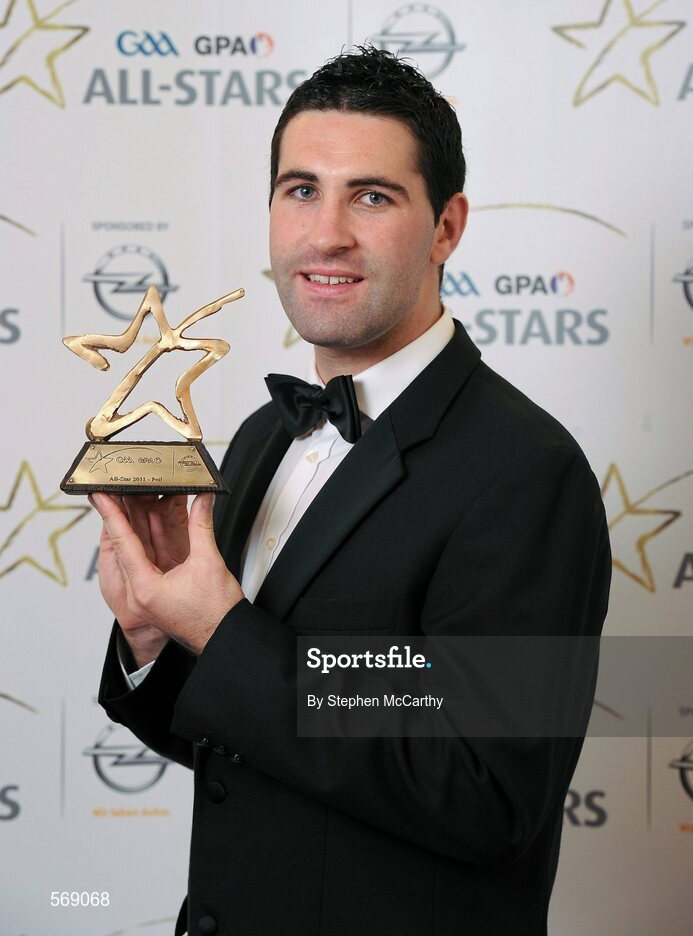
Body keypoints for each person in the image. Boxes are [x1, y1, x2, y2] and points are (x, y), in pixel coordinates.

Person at [91, 47, 611, 936]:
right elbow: (244, 736)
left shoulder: (527, 472)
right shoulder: (260, 439)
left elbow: (488, 794)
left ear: (446, 227)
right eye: (300, 190)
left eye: (370, 196)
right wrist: (155, 634)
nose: (325, 233)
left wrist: (223, 630)